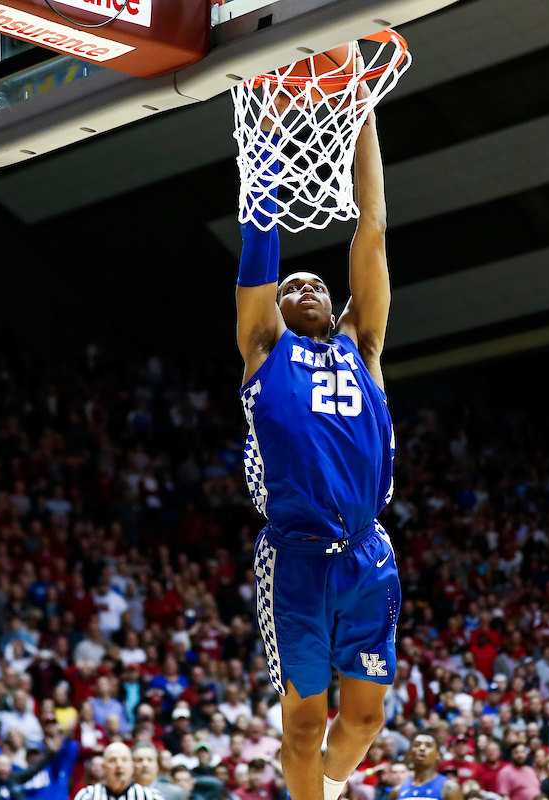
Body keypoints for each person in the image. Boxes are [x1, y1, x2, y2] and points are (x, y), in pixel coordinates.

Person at [233, 82, 398, 800]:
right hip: (296, 552)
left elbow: (372, 229)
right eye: (290, 283)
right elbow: (260, 239)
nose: (302, 285)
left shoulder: (364, 345)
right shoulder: (264, 345)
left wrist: (361, 111)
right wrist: (265, 132)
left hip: (367, 547)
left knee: (362, 723)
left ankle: (326, 789)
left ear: (334, 304)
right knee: (302, 725)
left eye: (315, 282)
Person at [74, 743, 159, 800]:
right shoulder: (87, 796)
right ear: (104, 767)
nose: (119, 765)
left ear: (132, 766)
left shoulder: (151, 796)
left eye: (124, 760)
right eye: (112, 760)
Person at [390, 735, 460, 800]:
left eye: (428, 746)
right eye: (417, 745)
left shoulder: (450, 787)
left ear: (438, 755)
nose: (422, 748)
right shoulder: (397, 791)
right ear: (410, 754)